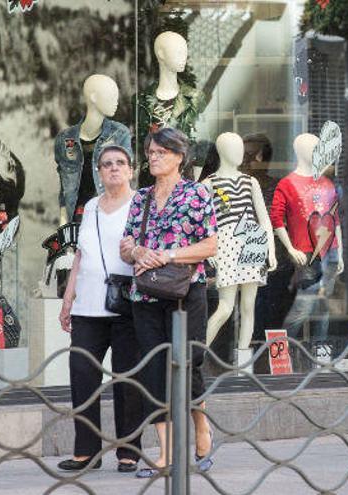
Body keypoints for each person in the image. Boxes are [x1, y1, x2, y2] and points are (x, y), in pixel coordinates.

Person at [119, 128, 217, 477]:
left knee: (188, 363)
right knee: (154, 370)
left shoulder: (196, 195)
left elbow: (209, 245)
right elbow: (126, 245)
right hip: (145, 295)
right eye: (150, 152)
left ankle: (201, 428)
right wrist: (139, 251)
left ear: (179, 156)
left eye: (161, 152)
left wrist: (167, 255)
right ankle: (167, 453)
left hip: (186, 293)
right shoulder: (141, 197)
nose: (154, 157)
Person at [56, 145, 143, 473]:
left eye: (120, 163)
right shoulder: (90, 207)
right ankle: (86, 451)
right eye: (107, 164)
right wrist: (68, 297)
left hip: (126, 306)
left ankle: (128, 451)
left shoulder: (141, 204)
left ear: (131, 170)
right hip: (88, 307)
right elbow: (81, 255)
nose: (114, 169)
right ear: (99, 172)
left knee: (127, 380)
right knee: (82, 376)